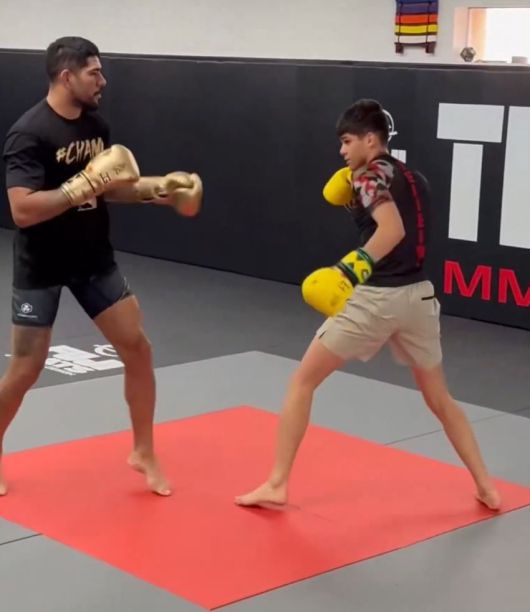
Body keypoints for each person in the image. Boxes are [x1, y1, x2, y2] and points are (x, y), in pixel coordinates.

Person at [235, 99, 501, 511]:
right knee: (440, 399)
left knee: (302, 382)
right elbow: (404, 225)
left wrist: (347, 271)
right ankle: (486, 486)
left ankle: (276, 483)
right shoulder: (414, 177)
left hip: (377, 299)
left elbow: (392, 230)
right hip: (420, 298)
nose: (342, 151)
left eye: (347, 141)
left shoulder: (369, 176)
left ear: (371, 140)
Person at [0, 36, 202, 497]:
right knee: (27, 367)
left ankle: (144, 451)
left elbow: (110, 186)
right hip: (41, 263)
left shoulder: (96, 126)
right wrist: (81, 186)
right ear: (66, 76)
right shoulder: (29, 134)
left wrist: (159, 189)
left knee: (138, 348)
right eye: (94, 73)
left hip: (92, 257)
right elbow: (23, 210)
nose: (103, 81)